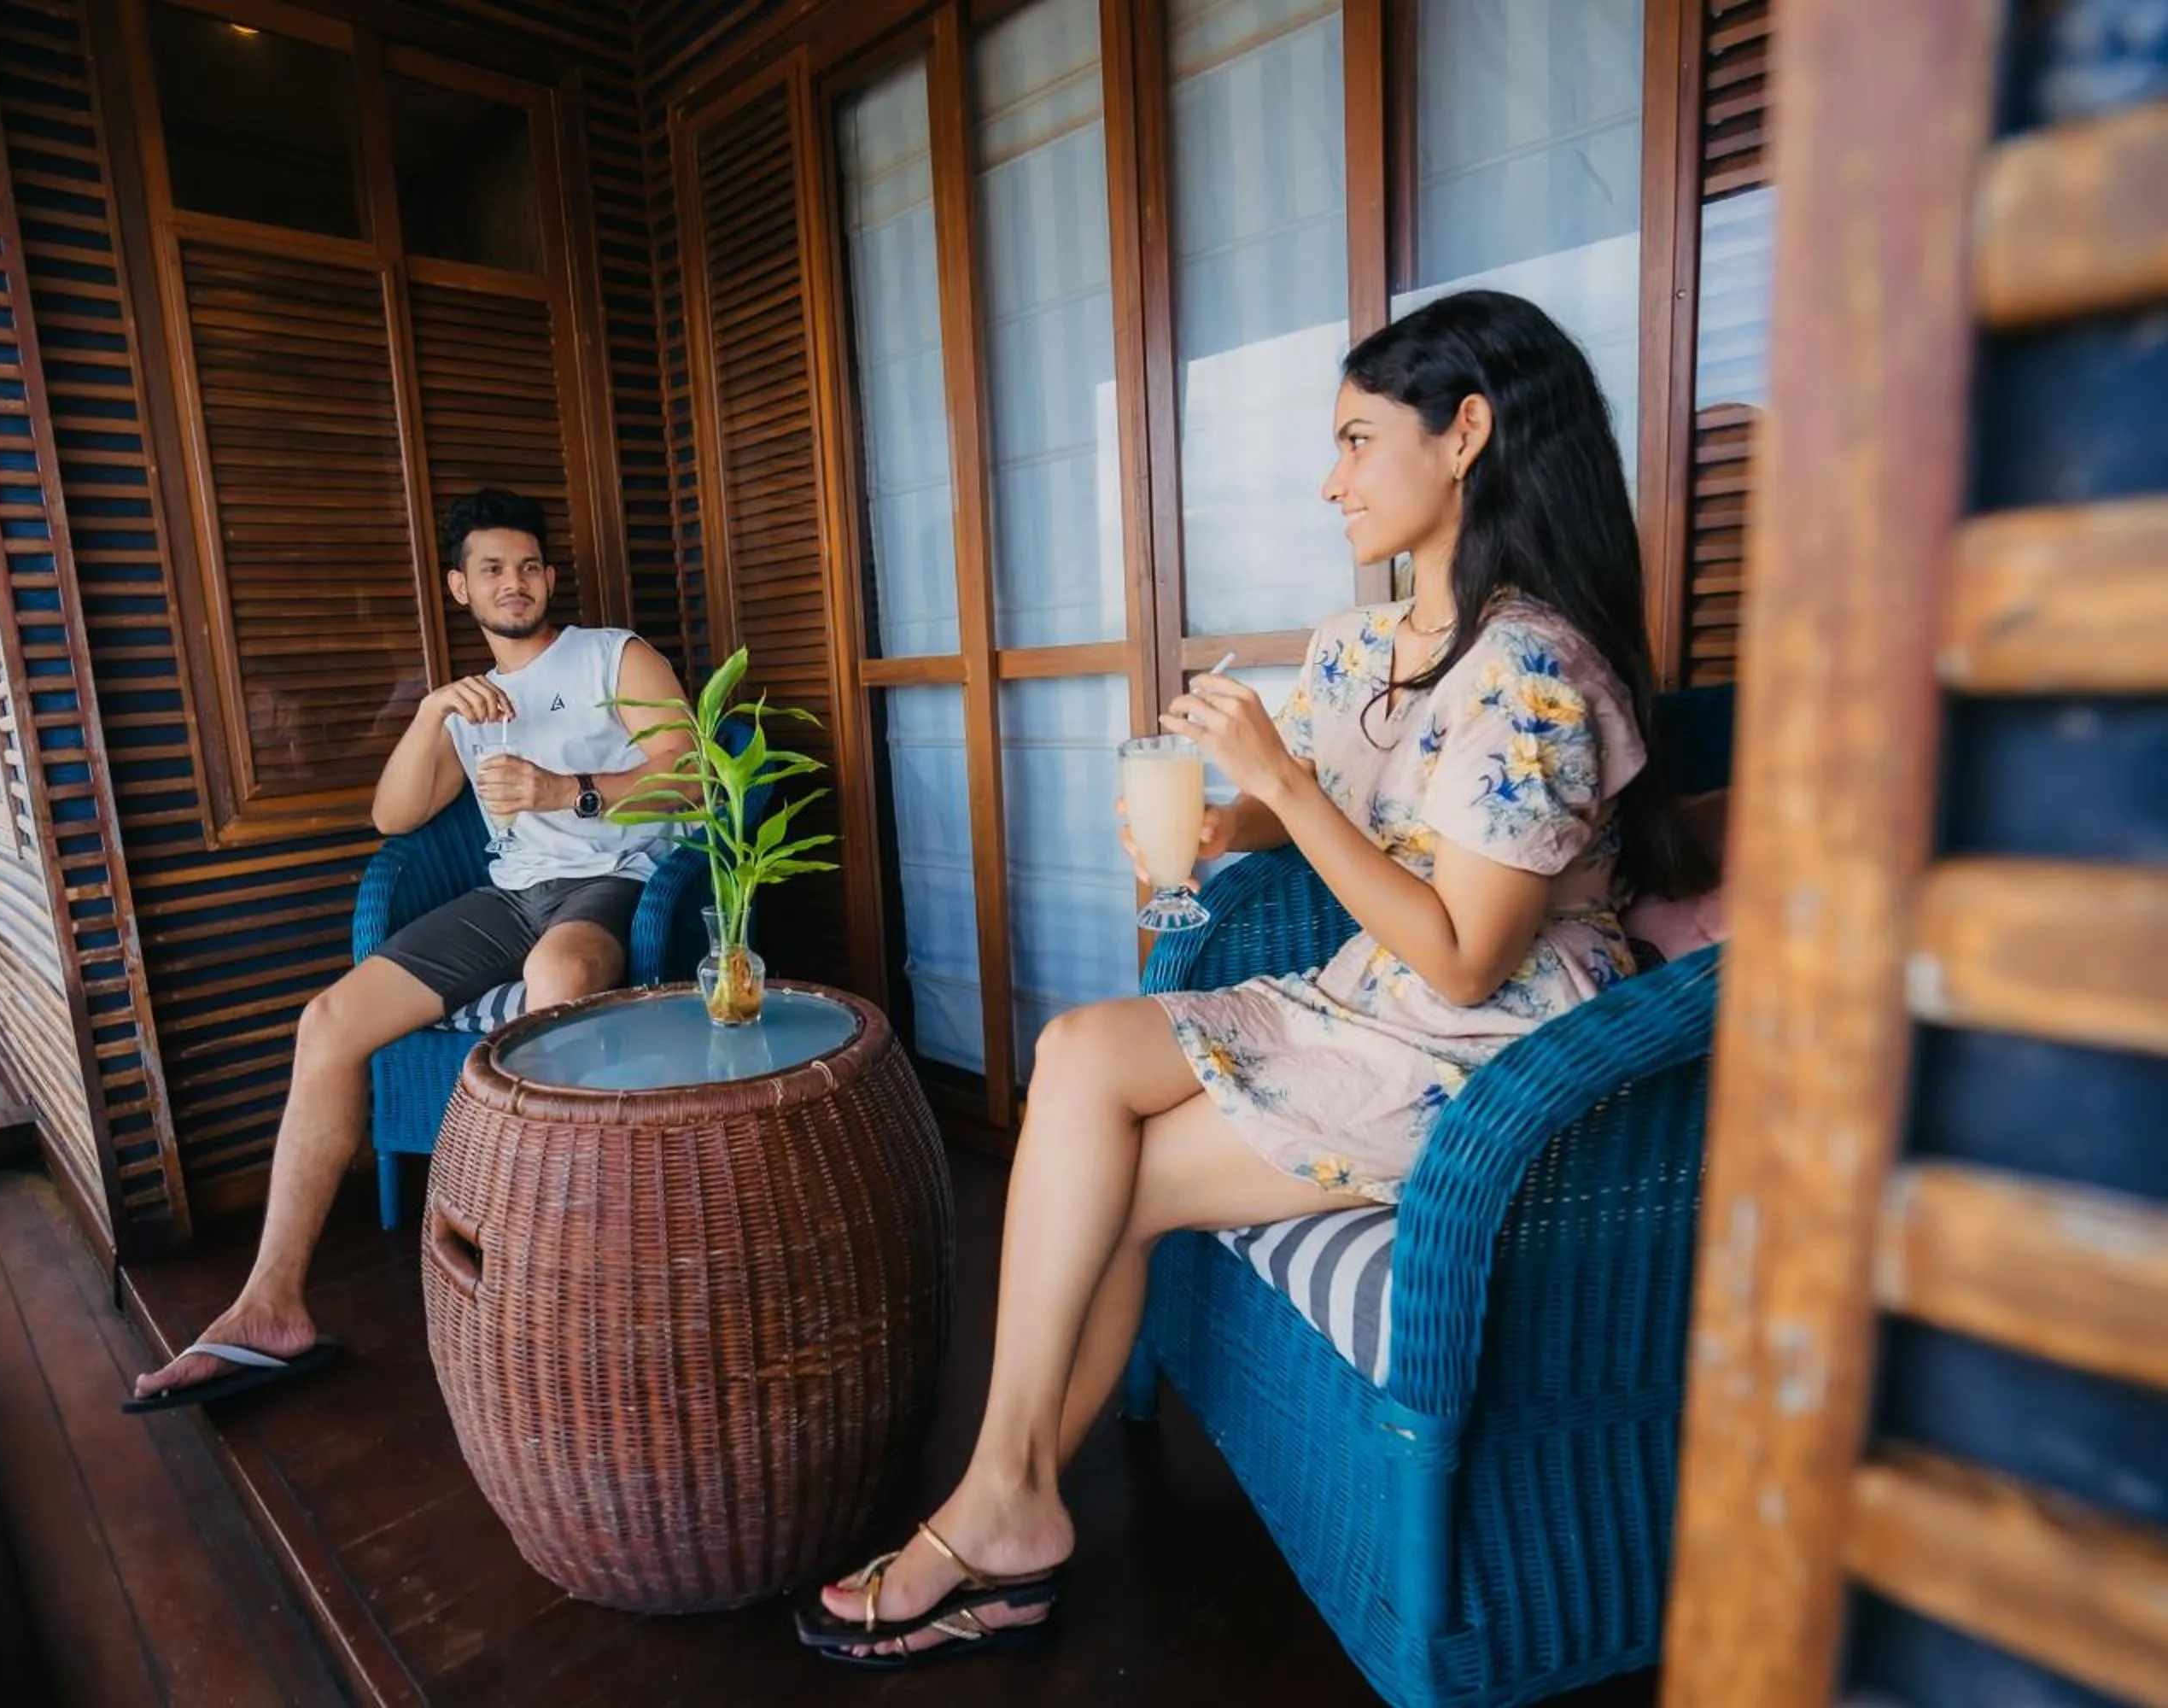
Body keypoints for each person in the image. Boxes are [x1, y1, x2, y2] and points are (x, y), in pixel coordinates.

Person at [793, 290, 1693, 1664]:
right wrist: (1237, 821)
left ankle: (1000, 1512)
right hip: (1362, 990)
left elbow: (1463, 955)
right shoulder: (1355, 646)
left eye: (1354, 441)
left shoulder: (1538, 674)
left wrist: (1275, 775)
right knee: (1085, 1055)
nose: (1329, 481)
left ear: (1466, 435)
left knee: (1115, 1191)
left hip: (1486, 1040)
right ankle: (1008, 1502)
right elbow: (1344, 809)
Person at [131, 488, 694, 1410]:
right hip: (509, 893)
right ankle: (270, 1304)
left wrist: (567, 789)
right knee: (329, 1020)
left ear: (549, 577)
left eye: (526, 566)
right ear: (459, 588)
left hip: (613, 881)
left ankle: (564, 1264)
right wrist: (434, 710)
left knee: (557, 973)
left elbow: (689, 771)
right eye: (490, 570)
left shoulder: (612, 654)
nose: (513, 583)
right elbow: (393, 816)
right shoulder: (467, 701)